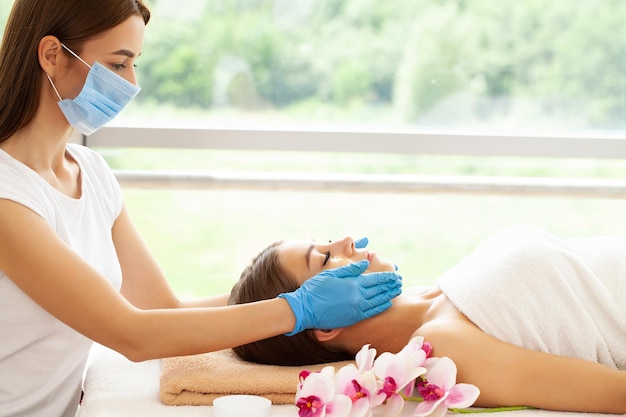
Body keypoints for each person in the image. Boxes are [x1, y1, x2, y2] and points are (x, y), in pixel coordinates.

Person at [0, 1, 403, 416]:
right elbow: (131, 334)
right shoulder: (7, 196)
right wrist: (299, 309)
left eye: (134, 63)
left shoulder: (91, 174)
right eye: (118, 65)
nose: (132, 82)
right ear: (52, 55)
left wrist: (291, 289)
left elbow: (162, 309)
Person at [229, 225, 626, 414]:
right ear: (326, 323)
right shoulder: (448, 348)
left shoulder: (434, 292)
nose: (347, 241)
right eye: (326, 258)